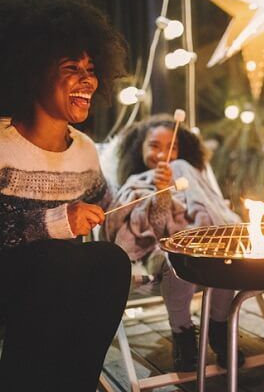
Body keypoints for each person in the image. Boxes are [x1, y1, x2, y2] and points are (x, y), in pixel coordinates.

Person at [0, 0, 131, 391]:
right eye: (72, 68)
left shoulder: (85, 150)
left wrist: (156, 203)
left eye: (91, 70)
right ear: (30, 70)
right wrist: (56, 222)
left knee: (110, 260)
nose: (88, 80)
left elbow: (114, 220)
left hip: (54, 290)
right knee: (61, 259)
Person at [103, 114, 245, 371]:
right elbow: (148, 229)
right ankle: (183, 334)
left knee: (225, 253)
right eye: (154, 146)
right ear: (140, 149)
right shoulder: (135, 184)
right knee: (177, 257)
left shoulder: (189, 175)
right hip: (154, 252)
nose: (163, 155)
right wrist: (162, 193)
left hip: (203, 246)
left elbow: (212, 212)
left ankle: (219, 326)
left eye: (172, 147)